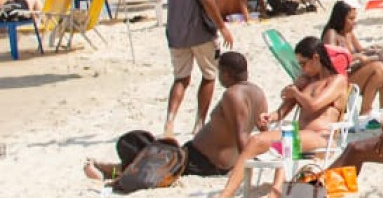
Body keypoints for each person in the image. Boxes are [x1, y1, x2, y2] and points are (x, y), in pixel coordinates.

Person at [210, 37, 353, 198]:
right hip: (299, 136)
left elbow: (314, 105)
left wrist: (296, 93)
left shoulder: (337, 81)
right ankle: (227, 193)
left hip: (322, 138)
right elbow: (282, 111)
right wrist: (271, 117)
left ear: (316, 58)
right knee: (255, 141)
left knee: (287, 140)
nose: (302, 69)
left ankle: (276, 192)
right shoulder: (306, 81)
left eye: (304, 63)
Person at [88, 50, 267, 183]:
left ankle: (114, 172)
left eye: (219, 71)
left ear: (226, 73)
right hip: (205, 158)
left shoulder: (232, 95)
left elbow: (241, 134)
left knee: (137, 143)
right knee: (156, 148)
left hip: (203, 161)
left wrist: (243, 173)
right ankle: (115, 170)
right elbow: (262, 129)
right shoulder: (258, 93)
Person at [162, 0, 234, 138]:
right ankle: (199, 124)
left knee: (181, 78)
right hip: (201, 29)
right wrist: (222, 26)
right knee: (209, 75)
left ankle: (170, 122)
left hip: (175, 30)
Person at [322, 0, 383, 111]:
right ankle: (366, 110)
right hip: (338, 80)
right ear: (340, 18)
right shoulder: (331, 34)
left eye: (354, 19)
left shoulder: (348, 33)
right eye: (350, 19)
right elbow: (331, 61)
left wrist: (375, 49)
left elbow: (361, 50)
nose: (354, 22)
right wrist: (355, 57)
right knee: (378, 68)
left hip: (351, 73)